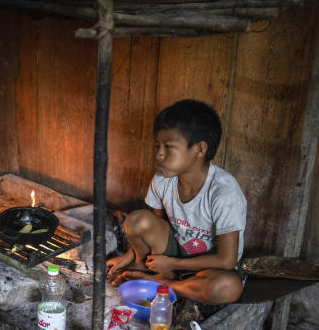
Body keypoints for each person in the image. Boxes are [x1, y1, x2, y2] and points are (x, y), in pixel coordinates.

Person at [105, 99, 246, 304]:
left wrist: (172, 263)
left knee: (229, 288)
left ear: (200, 149)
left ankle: (161, 284)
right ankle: (145, 269)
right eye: (157, 146)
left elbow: (226, 260)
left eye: (169, 147)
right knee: (137, 221)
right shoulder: (163, 181)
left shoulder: (224, 193)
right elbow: (158, 228)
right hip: (171, 256)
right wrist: (129, 256)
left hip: (209, 267)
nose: (159, 154)